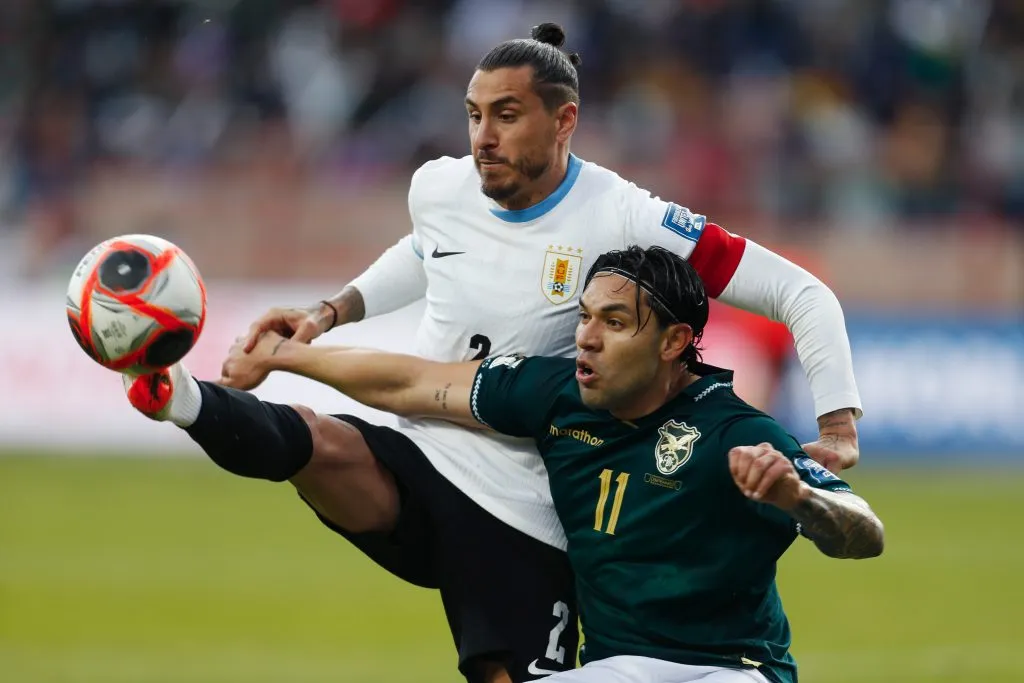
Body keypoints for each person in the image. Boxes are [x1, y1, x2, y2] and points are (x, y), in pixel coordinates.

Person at [128, 23, 864, 683]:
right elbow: (426, 251)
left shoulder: (625, 217)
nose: (483, 136)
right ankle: (181, 398)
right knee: (318, 441)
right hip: (426, 448)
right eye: (475, 115)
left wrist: (836, 423)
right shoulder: (441, 186)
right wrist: (330, 313)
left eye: (506, 116)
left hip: (527, 501)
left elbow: (803, 293)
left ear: (565, 121)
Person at [210, 245, 885, 683]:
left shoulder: (735, 430)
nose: (586, 336)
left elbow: (862, 531)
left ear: (675, 341)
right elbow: (415, 384)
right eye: (586, 315)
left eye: (615, 323)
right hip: (619, 668)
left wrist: (800, 497)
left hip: (733, 672)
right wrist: (290, 356)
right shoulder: (558, 391)